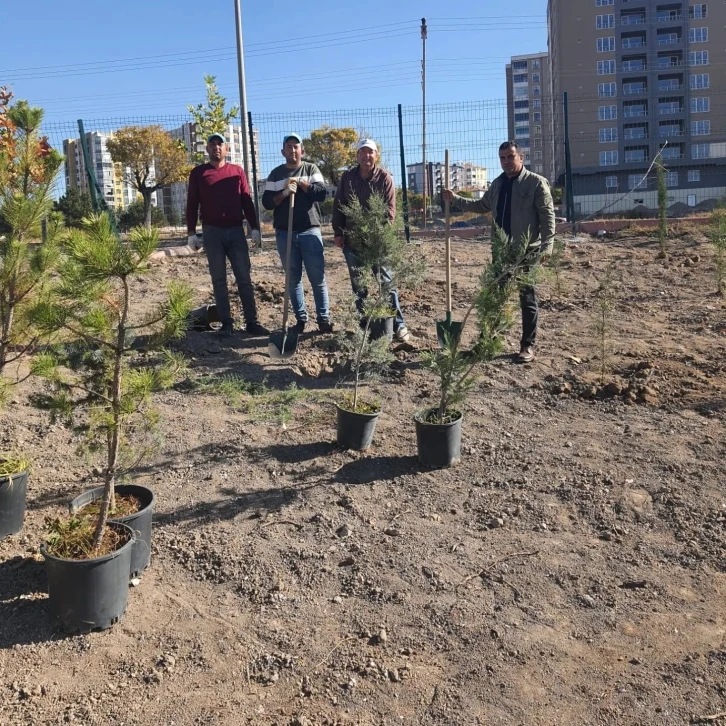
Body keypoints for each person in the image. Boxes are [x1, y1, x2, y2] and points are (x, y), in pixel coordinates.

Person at [442, 141, 555, 363]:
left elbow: (547, 216)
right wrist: (455, 199)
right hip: (502, 252)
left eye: (510, 157)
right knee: (493, 299)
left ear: (520, 158)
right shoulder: (497, 184)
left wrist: (547, 246)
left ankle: (527, 346)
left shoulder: (536, 183)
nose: (506, 161)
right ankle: (485, 344)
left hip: (527, 251)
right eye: (502, 158)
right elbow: (481, 206)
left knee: (527, 299)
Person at [186, 132, 268, 337]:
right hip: (211, 232)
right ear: (207, 149)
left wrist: (255, 227)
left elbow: (247, 201)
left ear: (226, 149)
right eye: (212, 144)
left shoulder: (236, 172)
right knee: (219, 279)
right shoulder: (198, 173)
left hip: (235, 231)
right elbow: (192, 203)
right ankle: (226, 324)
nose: (216, 148)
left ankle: (252, 322)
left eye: (220, 144)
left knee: (244, 277)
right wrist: (191, 233)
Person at [332, 138, 410, 342]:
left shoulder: (385, 178)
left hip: (377, 242)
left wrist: (379, 236)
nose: (366, 156)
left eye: (371, 152)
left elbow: (390, 212)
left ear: (376, 155)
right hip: (353, 241)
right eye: (363, 152)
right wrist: (338, 233)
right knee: (359, 286)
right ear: (357, 156)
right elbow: (339, 205)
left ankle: (399, 325)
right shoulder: (348, 178)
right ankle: (363, 326)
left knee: (386, 283)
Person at [261, 133, 333, 334]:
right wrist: (284, 192)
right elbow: (267, 203)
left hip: (310, 230)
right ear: (282, 151)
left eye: (296, 146)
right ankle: (300, 320)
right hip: (285, 232)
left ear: (302, 150)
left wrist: (302, 184)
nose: (292, 150)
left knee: (317, 277)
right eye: (288, 146)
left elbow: (321, 194)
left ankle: (323, 318)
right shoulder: (275, 174)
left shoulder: (311, 169)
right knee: (293, 279)